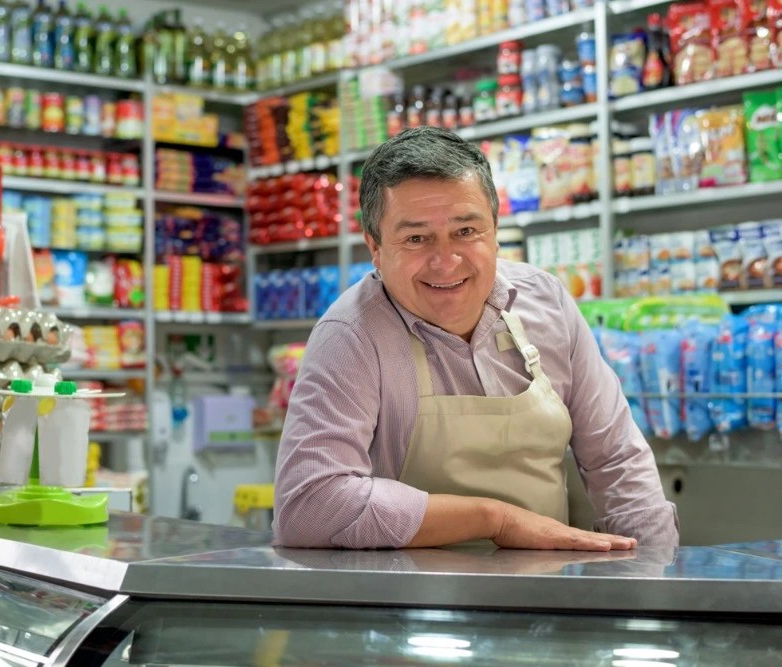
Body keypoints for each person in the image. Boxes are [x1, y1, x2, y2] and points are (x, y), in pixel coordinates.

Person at [273, 126, 678, 550]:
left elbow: (616, 459)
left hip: (546, 595)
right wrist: (496, 520)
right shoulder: (352, 336)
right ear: (375, 247)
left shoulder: (548, 303)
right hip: (403, 604)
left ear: (496, 228)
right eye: (416, 238)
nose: (445, 261)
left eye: (467, 232)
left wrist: (656, 576)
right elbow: (308, 505)